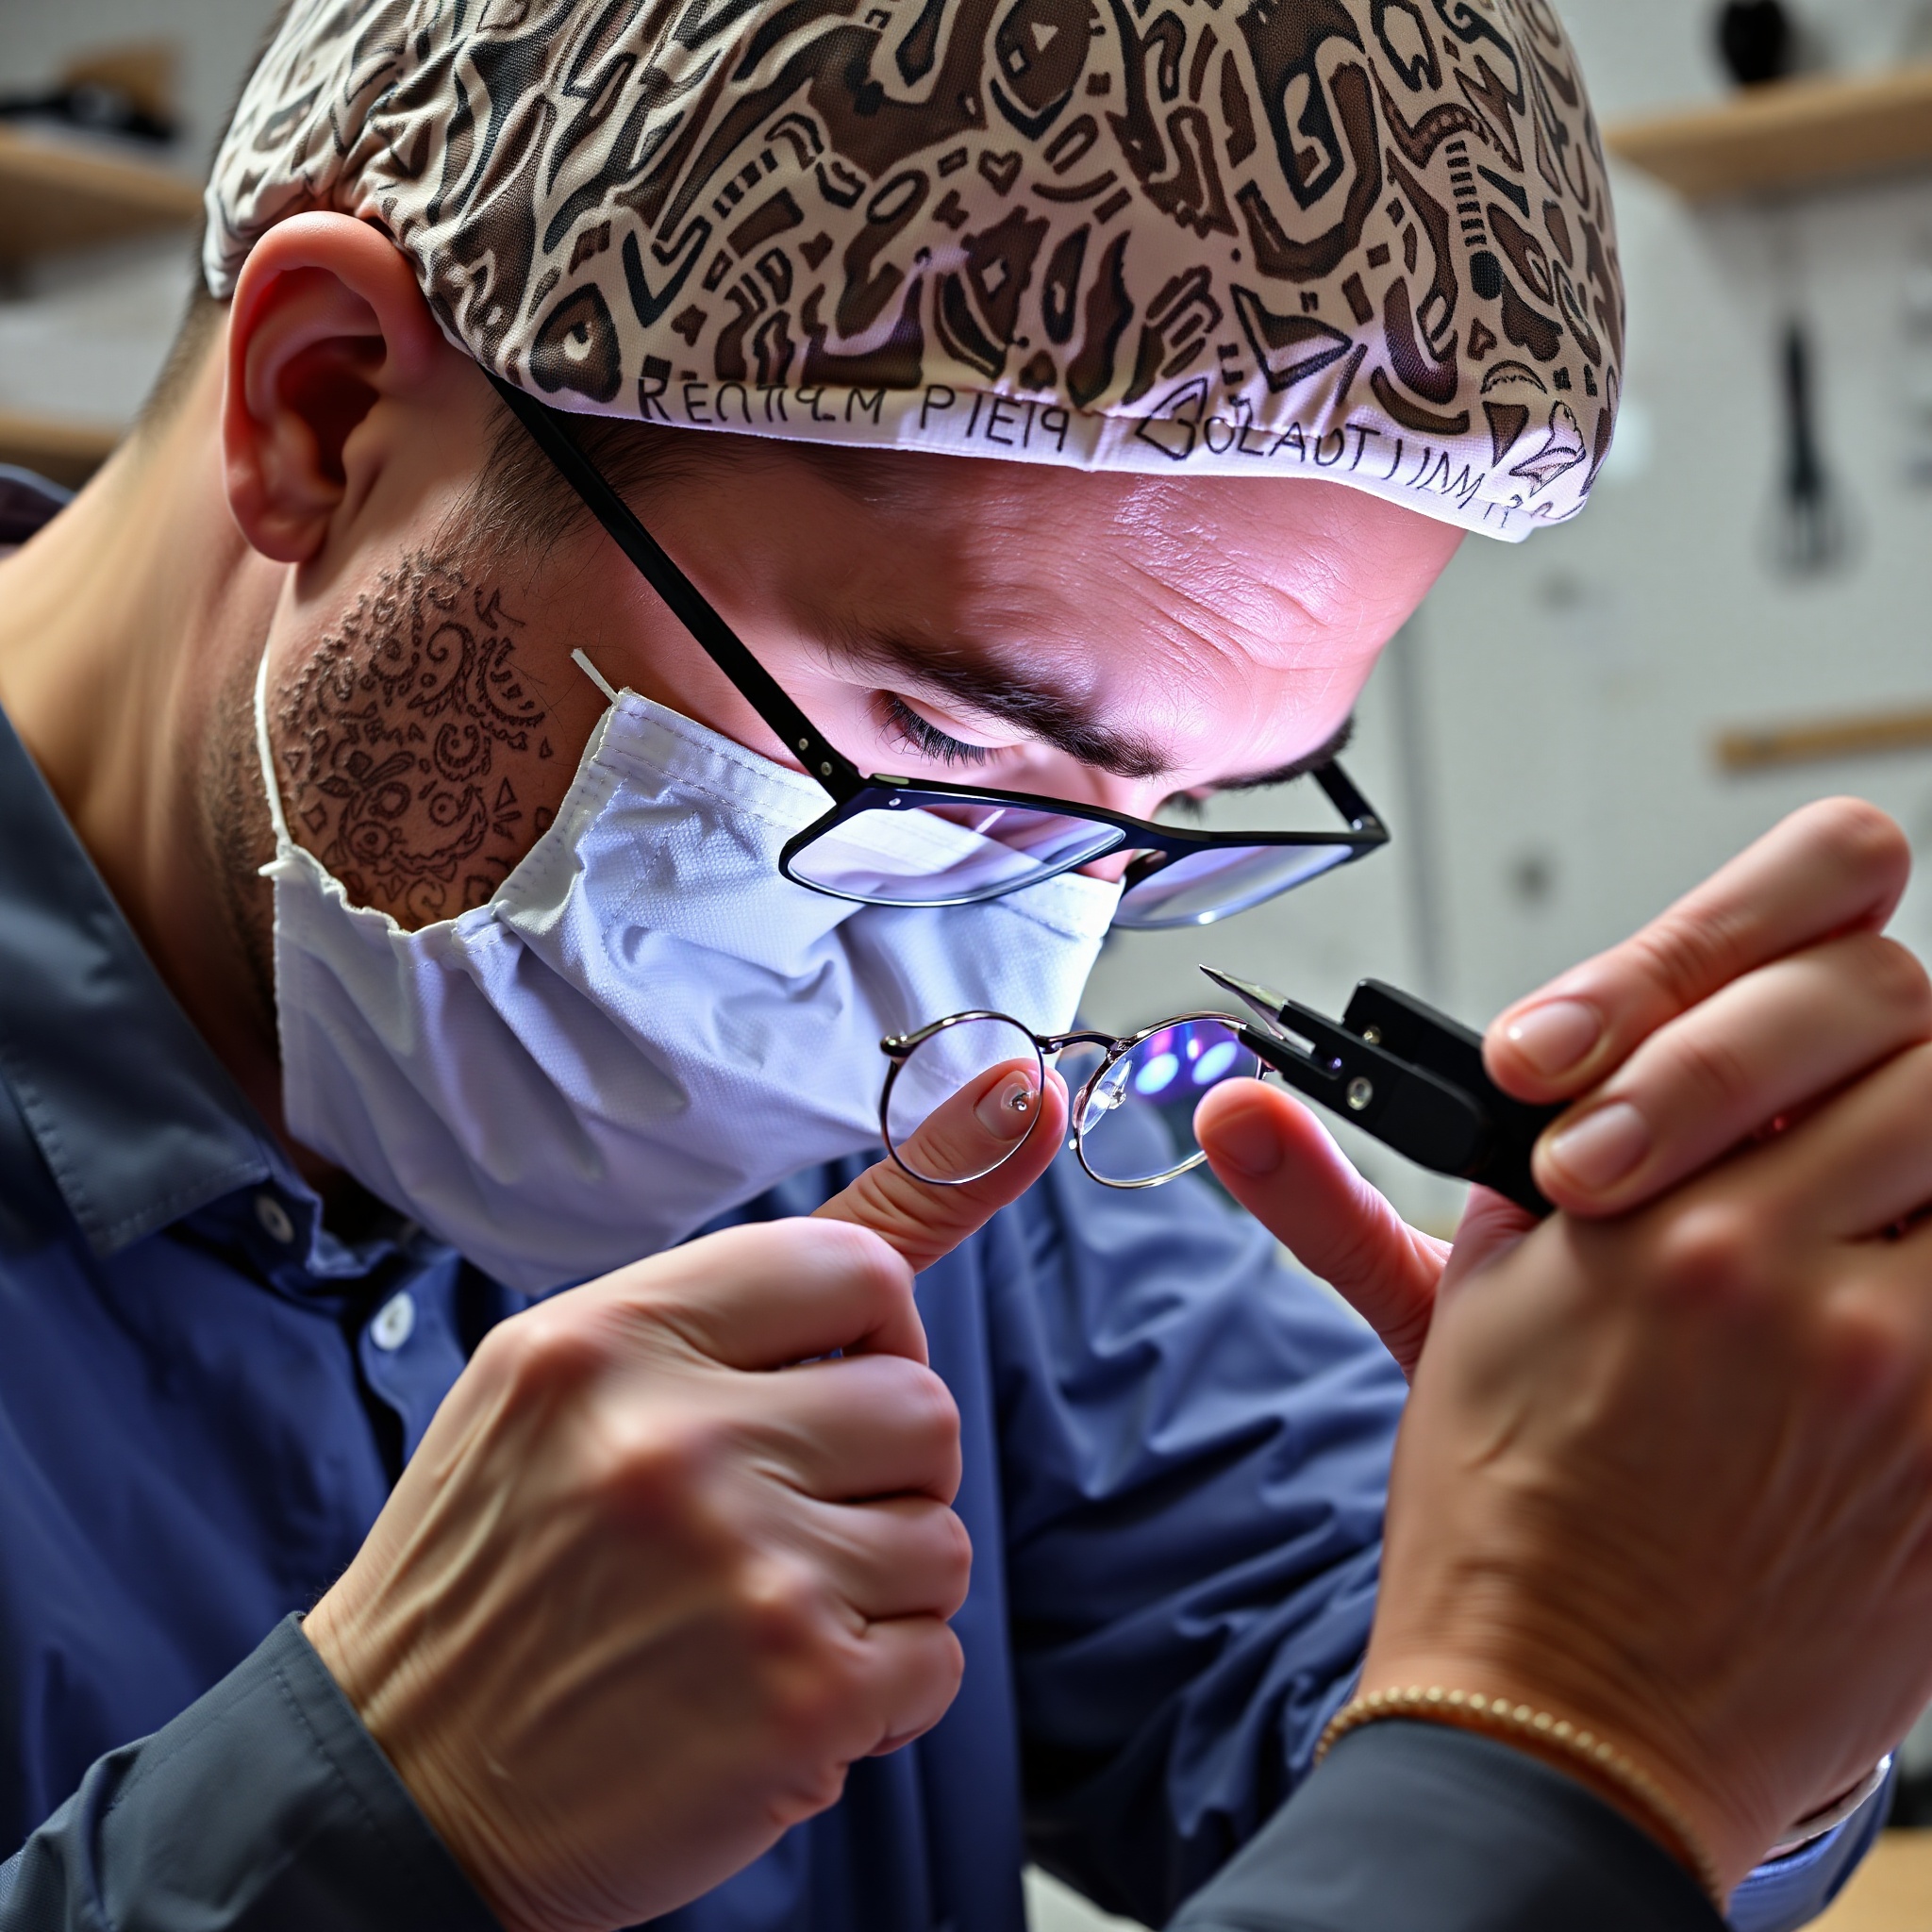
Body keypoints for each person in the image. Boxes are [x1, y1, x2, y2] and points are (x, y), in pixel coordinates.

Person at [1, 2, 1930, 1928]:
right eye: (932, 755)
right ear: (323, 408)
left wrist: (1664, 1580)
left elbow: (1374, 1715)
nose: (983, 979)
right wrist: (342, 1847)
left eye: (1161, 820)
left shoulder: (933, 1176)